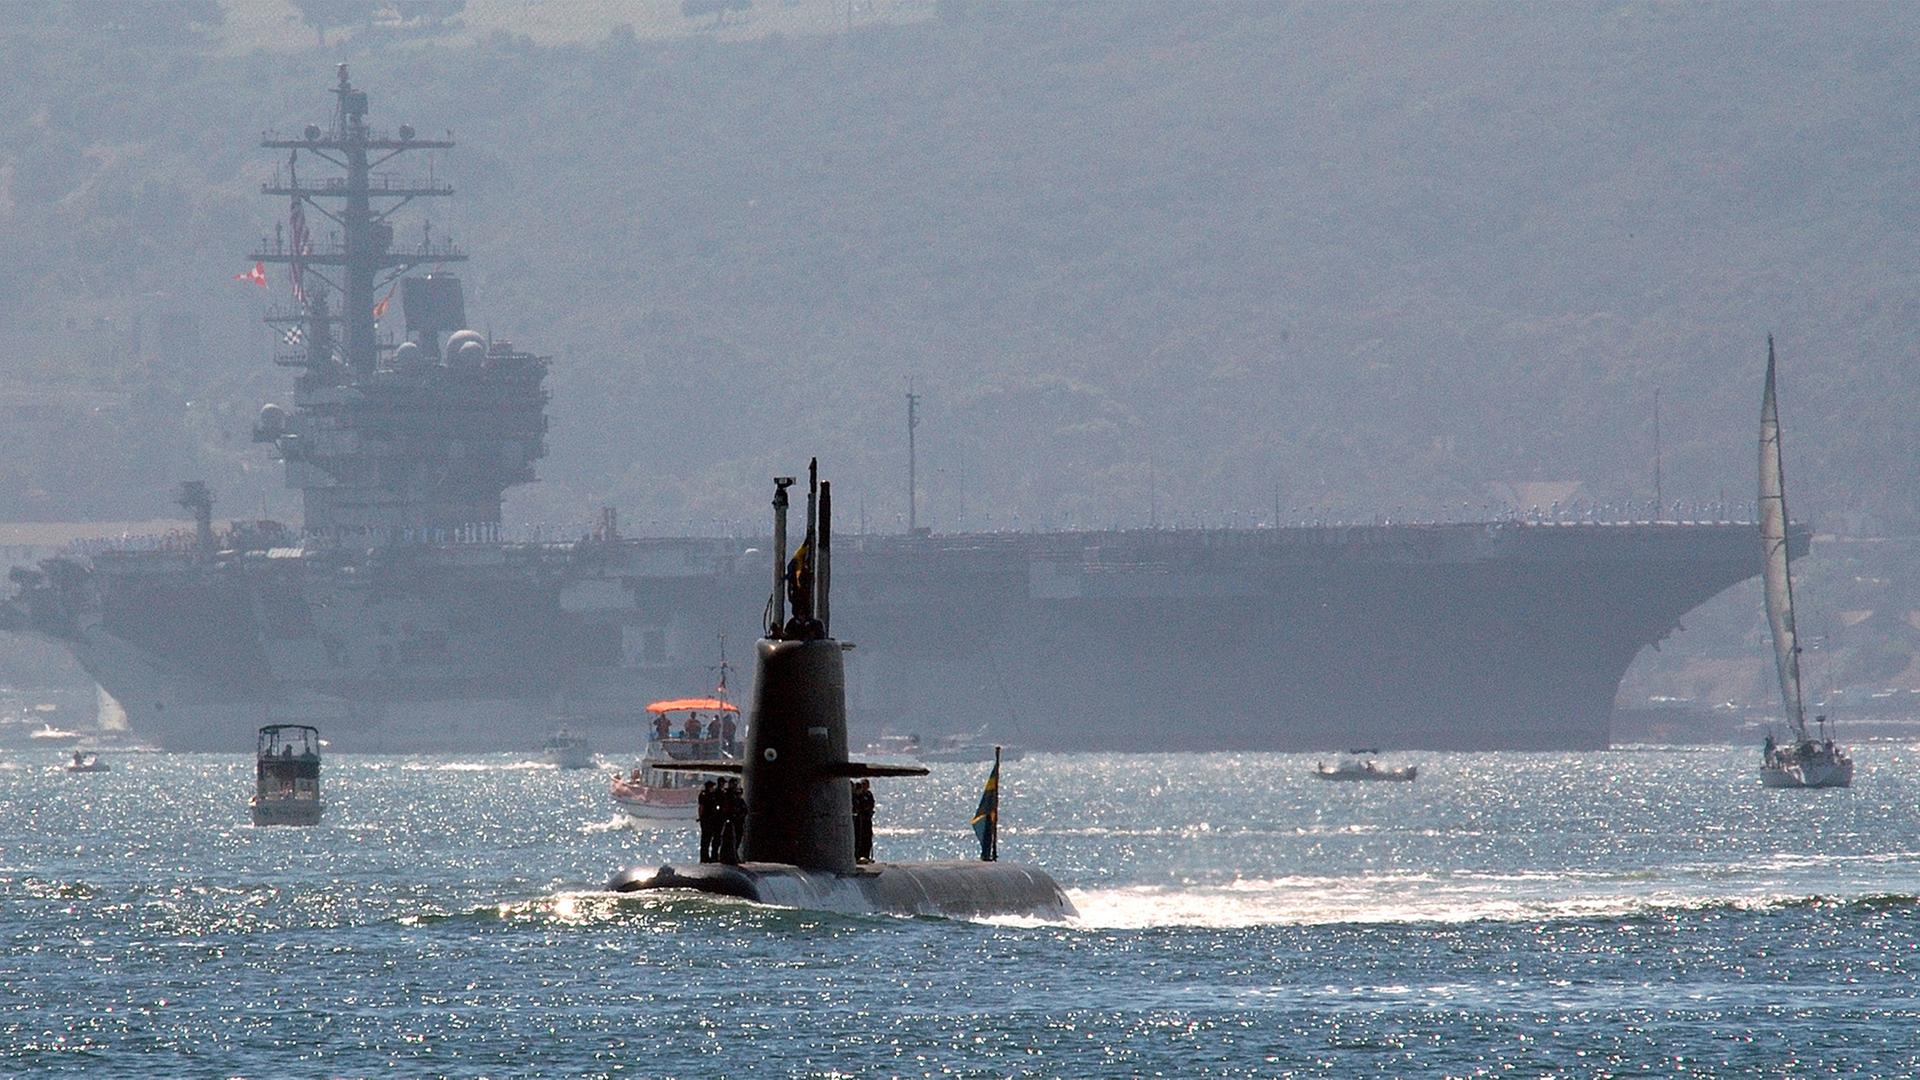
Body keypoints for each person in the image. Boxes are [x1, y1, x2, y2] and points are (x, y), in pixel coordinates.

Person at [719, 778, 745, 864]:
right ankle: (727, 857)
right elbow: (725, 807)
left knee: (737, 838)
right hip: (731, 821)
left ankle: (734, 855)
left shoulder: (738, 798)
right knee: (730, 838)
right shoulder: (727, 795)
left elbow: (744, 809)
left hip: (738, 821)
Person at [851, 779, 876, 863]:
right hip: (860, 819)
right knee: (859, 838)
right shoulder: (857, 796)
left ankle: (866, 856)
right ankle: (858, 856)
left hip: (867, 819)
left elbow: (871, 804)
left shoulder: (868, 794)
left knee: (867, 838)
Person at [696, 780, 719, 863]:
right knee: (705, 839)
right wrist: (701, 817)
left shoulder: (712, 795)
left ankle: (708, 857)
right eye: (712, 787)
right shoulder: (704, 795)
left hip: (711, 819)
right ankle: (704, 857)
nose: (713, 788)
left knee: (709, 838)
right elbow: (701, 807)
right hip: (706, 820)